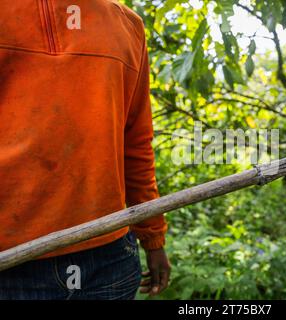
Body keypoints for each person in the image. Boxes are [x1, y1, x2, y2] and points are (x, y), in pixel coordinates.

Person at [0, 0, 170, 299]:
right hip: (11, 262)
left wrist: (153, 236)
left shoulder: (127, 25)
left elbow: (136, 143)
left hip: (108, 255)